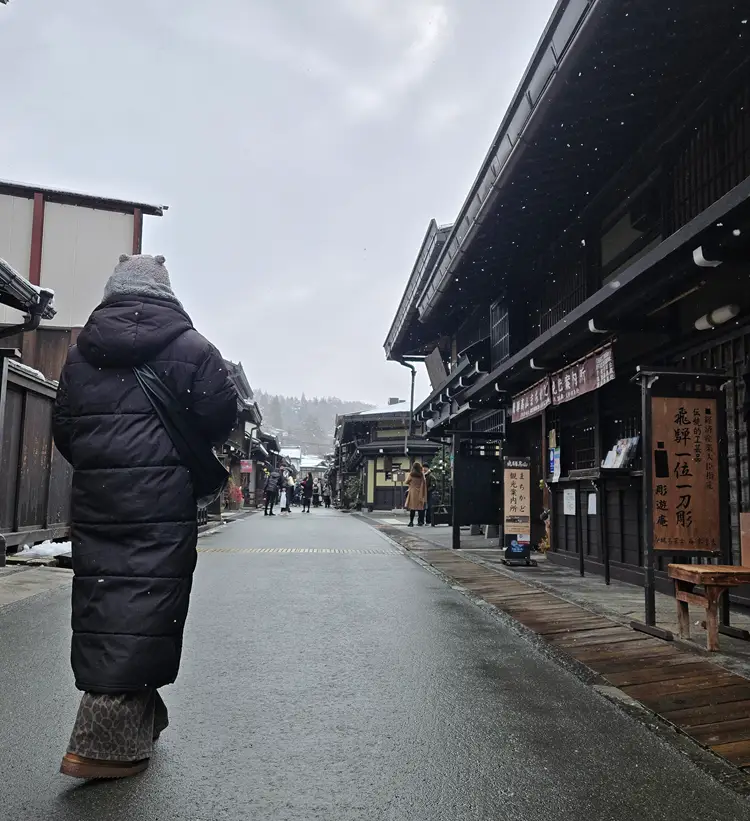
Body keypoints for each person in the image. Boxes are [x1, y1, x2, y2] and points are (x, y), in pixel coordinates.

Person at [52, 253, 237, 780]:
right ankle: (103, 741)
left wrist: (104, 461)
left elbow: (65, 428)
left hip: (99, 495)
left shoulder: (79, 353)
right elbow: (221, 414)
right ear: (165, 290)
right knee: (150, 598)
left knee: (105, 593)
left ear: (113, 291)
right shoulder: (194, 348)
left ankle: (140, 718)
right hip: (163, 497)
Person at [405, 461, 428, 527]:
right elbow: (424, 482)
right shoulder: (421, 475)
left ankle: (411, 522)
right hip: (420, 492)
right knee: (420, 508)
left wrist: (411, 484)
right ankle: (420, 522)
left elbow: (406, 482)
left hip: (412, 492)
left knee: (412, 508)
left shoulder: (411, 474)